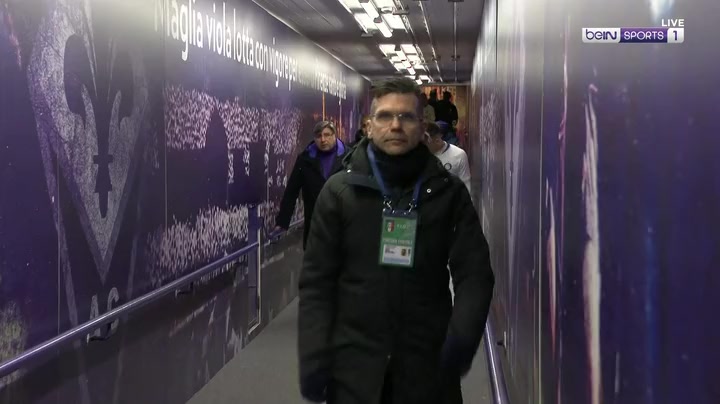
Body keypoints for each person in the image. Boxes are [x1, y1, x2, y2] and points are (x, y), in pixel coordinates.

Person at [298, 78, 494, 404]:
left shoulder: (447, 193)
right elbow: (317, 281)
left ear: (422, 127)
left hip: (428, 368)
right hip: (354, 369)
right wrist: (314, 355)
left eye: (406, 117)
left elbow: (475, 273)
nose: (396, 125)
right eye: (385, 116)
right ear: (370, 125)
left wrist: (460, 339)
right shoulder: (340, 193)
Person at [275, 120, 347, 249]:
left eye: (327, 135)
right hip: (314, 225)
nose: (323, 140)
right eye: (319, 136)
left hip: (342, 225)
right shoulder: (305, 159)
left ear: (334, 135)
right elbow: (292, 190)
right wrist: (282, 222)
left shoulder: (348, 158)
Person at [424, 121, 472, 196]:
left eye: (425, 144)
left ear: (437, 140)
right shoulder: (420, 157)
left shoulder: (458, 155)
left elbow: (466, 185)